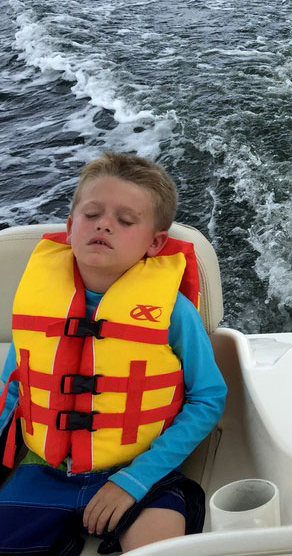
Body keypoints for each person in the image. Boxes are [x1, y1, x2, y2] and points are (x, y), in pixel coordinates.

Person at [0, 152, 227, 554]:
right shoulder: (38, 304)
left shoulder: (174, 312)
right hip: (42, 473)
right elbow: (13, 387)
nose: (104, 224)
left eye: (125, 221)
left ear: (154, 242)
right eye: (91, 214)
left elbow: (208, 398)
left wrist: (135, 480)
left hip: (145, 476)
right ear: (70, 227)